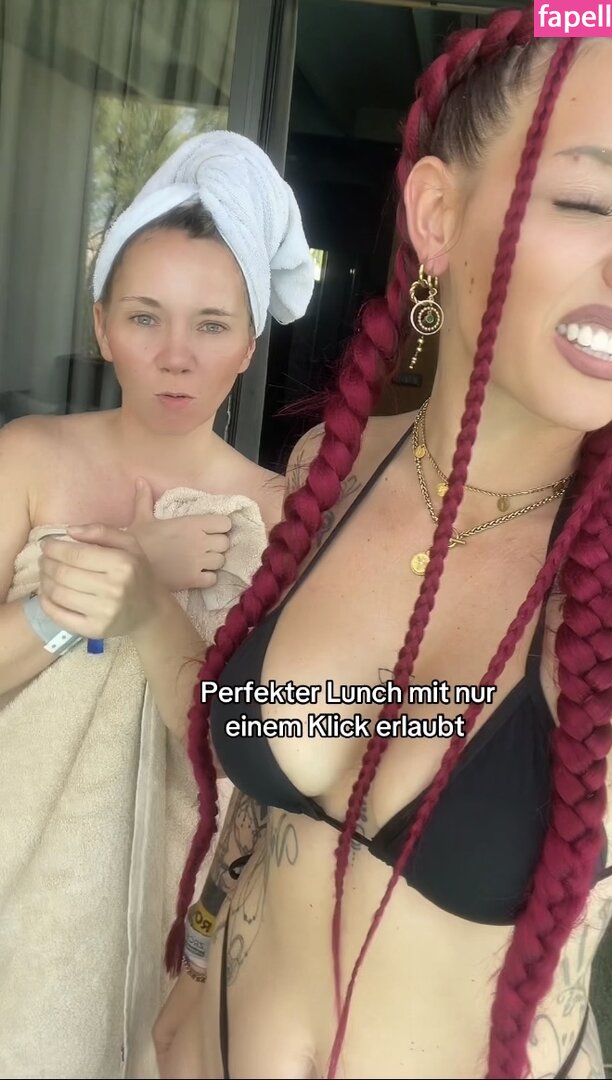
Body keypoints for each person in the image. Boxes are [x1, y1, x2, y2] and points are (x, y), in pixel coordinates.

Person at [154, 15, 612, 1080]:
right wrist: (193, 964)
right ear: (439, 215)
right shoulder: (334, 467)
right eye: (590, 201)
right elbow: (265, 800)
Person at [0, 130, 314, 1079]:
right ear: (102, 327)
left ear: (250, 345)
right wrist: (116, 575)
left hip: (180, 896)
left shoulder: (284, 516)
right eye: (145, 317)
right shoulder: (30, 456)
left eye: (211, 326)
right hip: (20, 865)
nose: (176, 356)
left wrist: (153, 608)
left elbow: (272, 747)